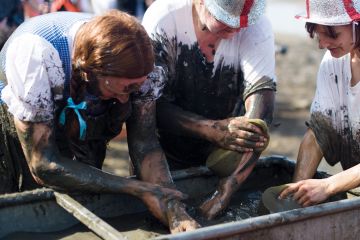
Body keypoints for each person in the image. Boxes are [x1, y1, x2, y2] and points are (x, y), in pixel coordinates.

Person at [0, 10, 199, 233]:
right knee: (26, 206)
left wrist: (173, 209)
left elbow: (146, 144)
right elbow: (43, 165)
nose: (127, 98)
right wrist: (135, 188)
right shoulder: (35, 56)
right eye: (124, 89)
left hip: (89, 93)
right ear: (90, 72)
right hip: (19, 119)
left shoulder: (139, 66)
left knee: (87, 185)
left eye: (134, 88)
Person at [142, 0, 276, 220]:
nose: (234, 30)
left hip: (222, 157)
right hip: (160, 151)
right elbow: (146, 108)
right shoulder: (164, 18)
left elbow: (260, 116)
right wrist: (210, 129)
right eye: (225, 19)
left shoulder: (257, 26)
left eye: (241, 23)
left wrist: (230, 184)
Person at [279, 0, 360, 207]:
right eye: (318, 34)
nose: (322, 44)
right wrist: (296, 193)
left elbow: (328, 186)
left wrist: (328, 186)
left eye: (332, 35)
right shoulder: (333, 63)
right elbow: (318, 133)